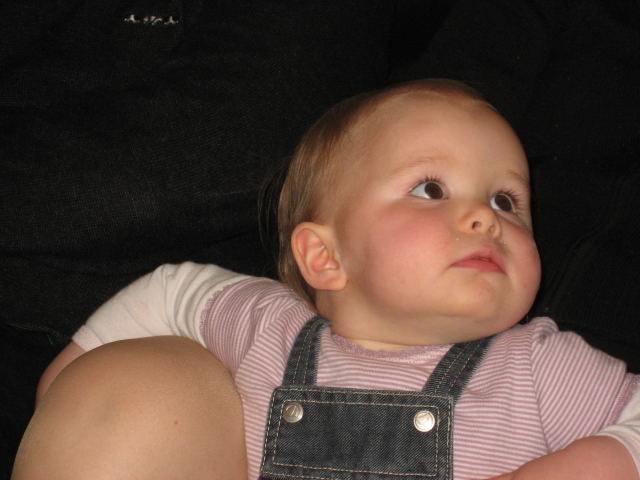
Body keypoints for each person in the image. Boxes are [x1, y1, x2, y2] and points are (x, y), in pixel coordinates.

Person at [12, 79, 640, 480]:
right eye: (430, 189)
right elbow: (172, 290)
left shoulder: (536, 365)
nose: (485, 217)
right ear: (323, 257)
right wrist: (71, 378)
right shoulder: (270, 326)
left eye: (506, 200)